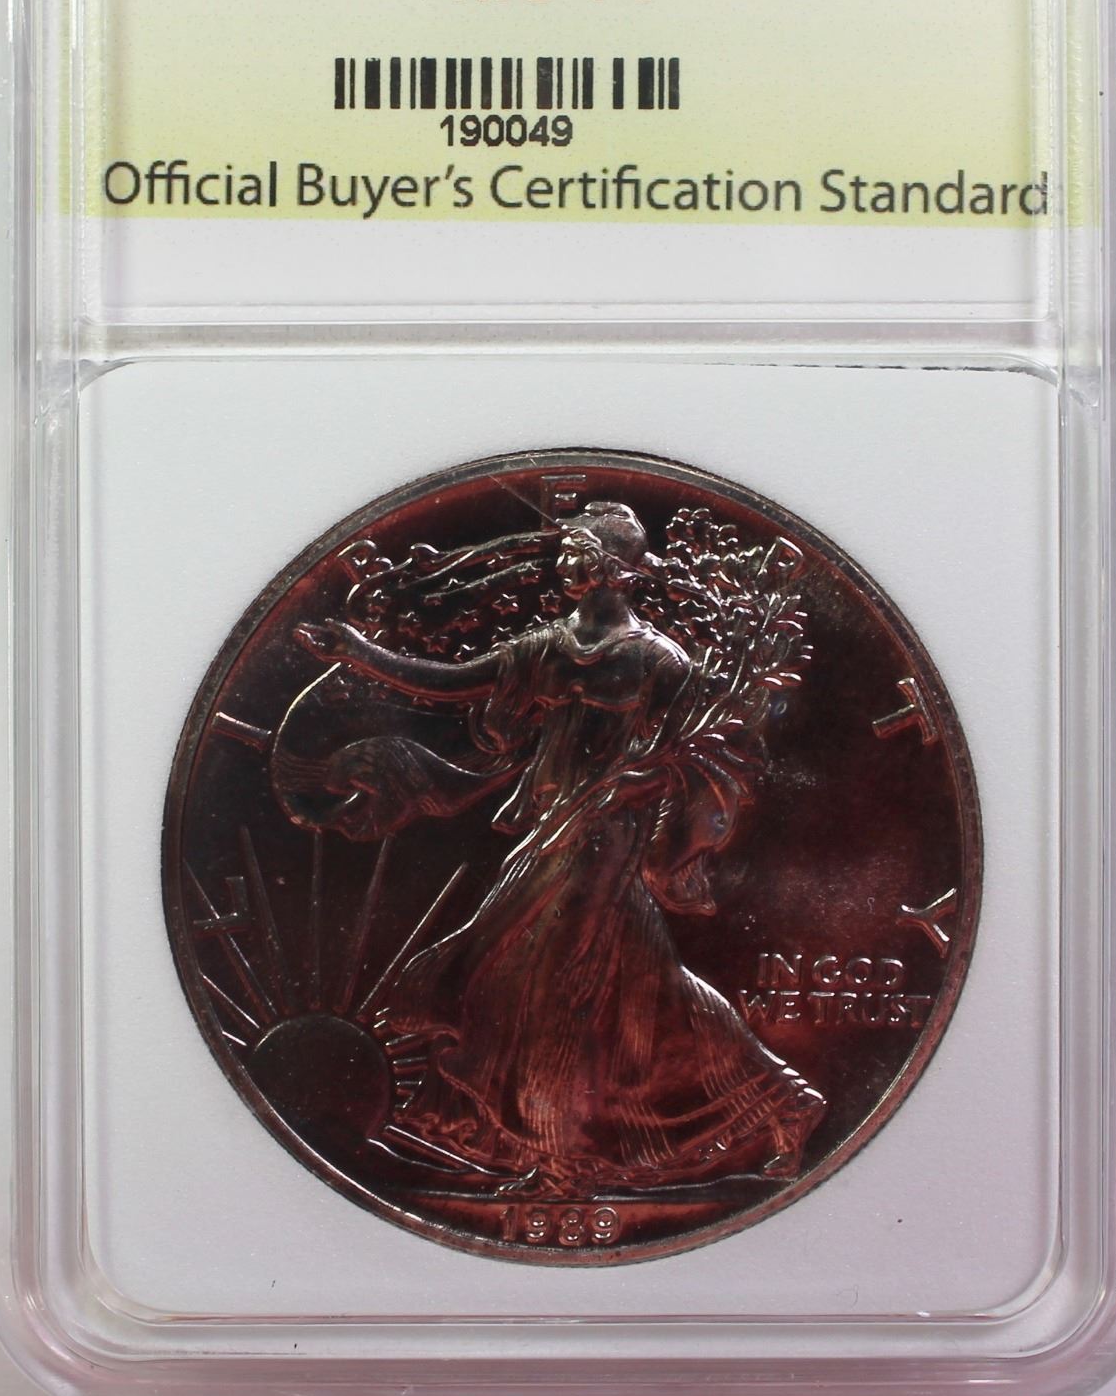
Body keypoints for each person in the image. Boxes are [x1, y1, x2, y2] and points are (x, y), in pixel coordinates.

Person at [294, 501, 824, 1196]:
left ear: (611, 567)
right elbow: (452, 682)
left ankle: (562, 1160)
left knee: (539, 977)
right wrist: (359, 653)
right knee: (643, 988)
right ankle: (781, 1101)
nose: (562, 559)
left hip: (606, 838)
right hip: (551, 827)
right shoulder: (545, 647)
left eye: (575, 548)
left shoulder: (658, 661)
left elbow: (707, 756)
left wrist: (638, 782)